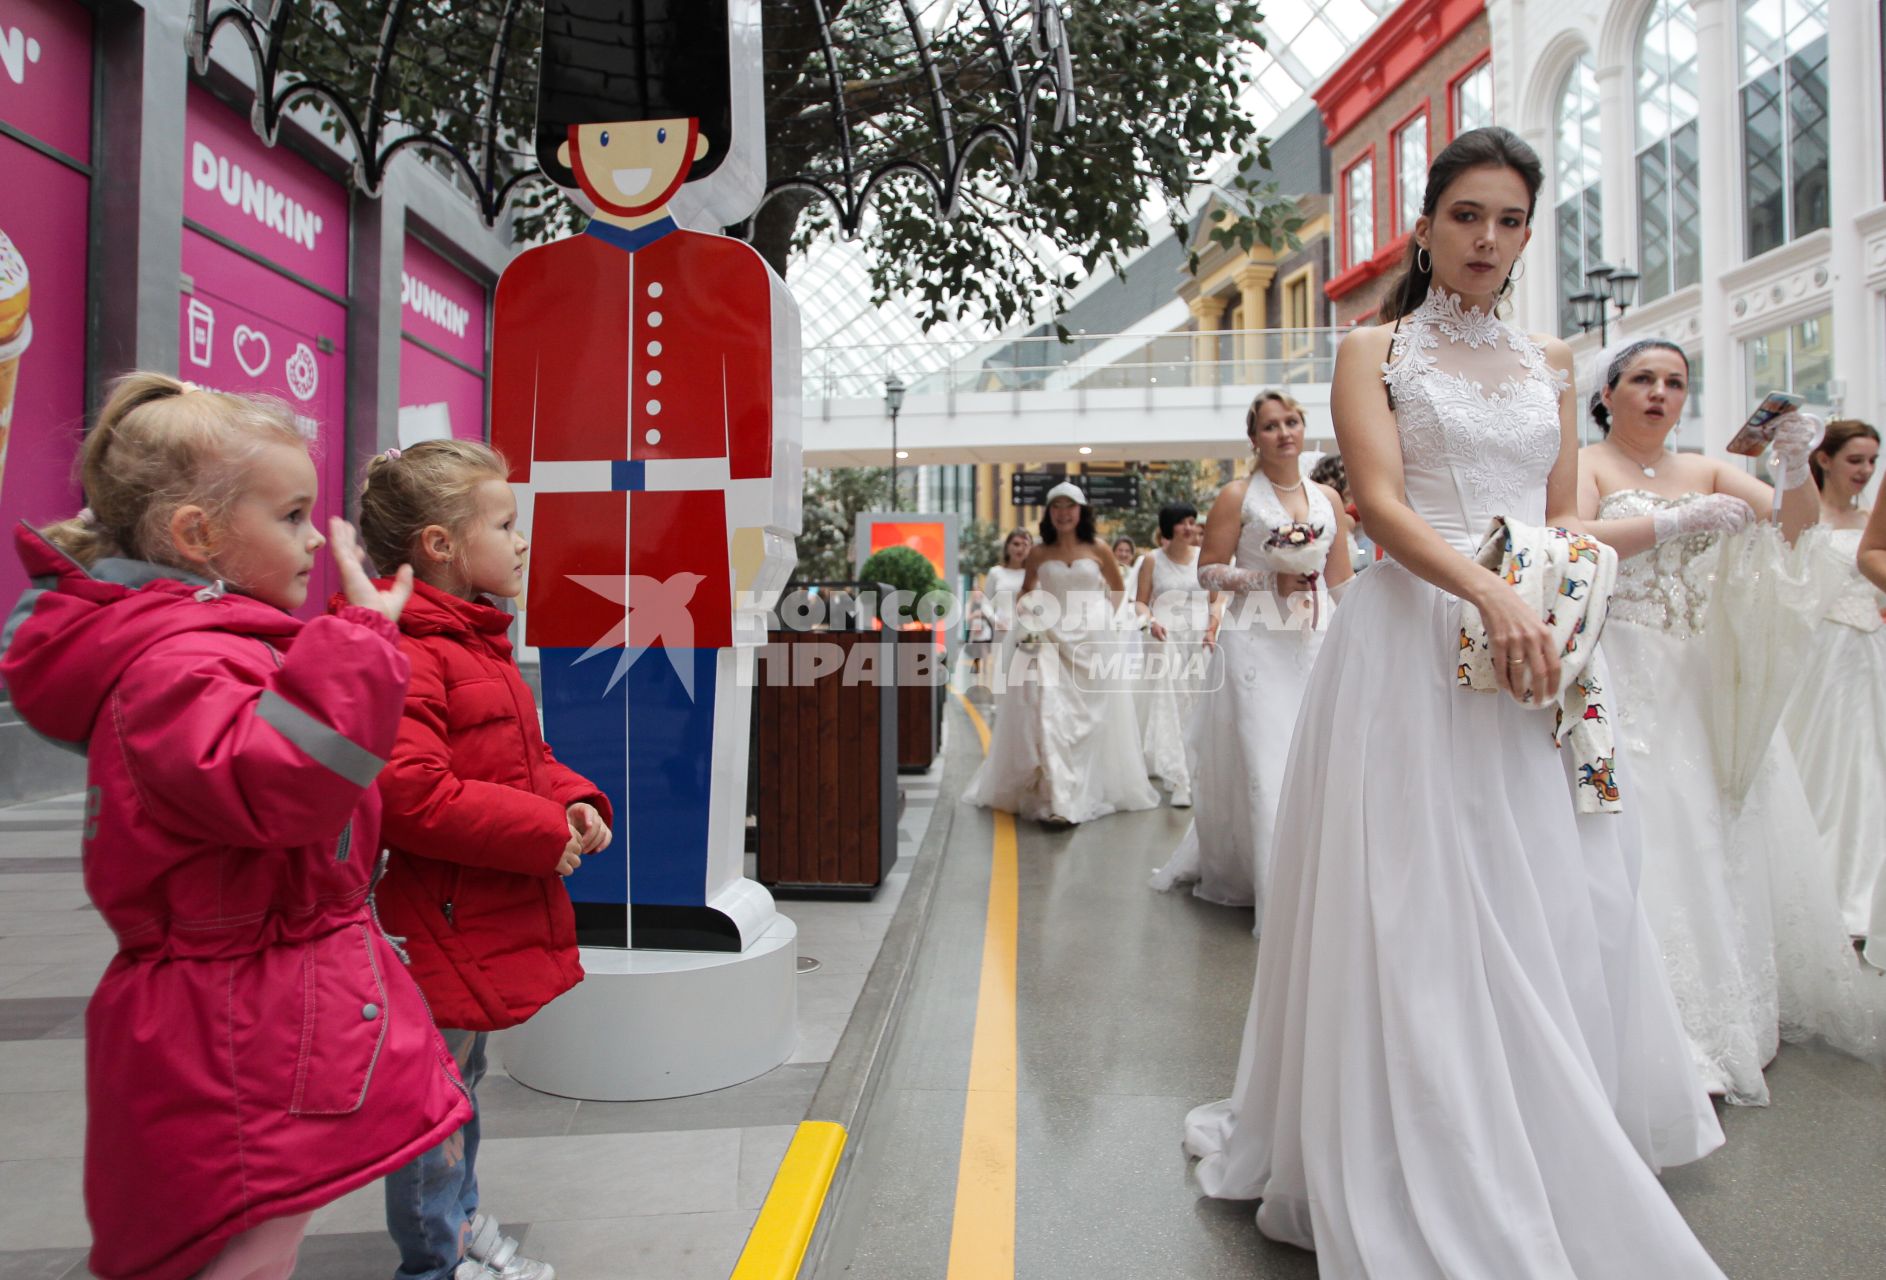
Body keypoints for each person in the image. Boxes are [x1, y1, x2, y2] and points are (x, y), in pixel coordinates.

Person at [1186, 129, 1726, 1277]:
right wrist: (1488, 593)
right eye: (1466, 215)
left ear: (1527, 235)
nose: (1486, 238)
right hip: (1409, 644)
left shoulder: (1550, 359)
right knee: (1421, 903)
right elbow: (1377, 506)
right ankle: (1430, 1143)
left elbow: (1560, 516)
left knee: (1553, 883)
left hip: (1534, 649)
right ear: (1424, 227)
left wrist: (1636, 548)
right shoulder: (1370, 348)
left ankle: (1541, 1130)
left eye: (1509, 220)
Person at [0, 374, 471, 1280]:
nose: (312, 539)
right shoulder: (176, 664)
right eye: (292, 516)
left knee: (256, 1240)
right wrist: (364, 644)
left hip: (244, 1010)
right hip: (231, 1026)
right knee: (243, 1248)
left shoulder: (197, 650)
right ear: (196, 536)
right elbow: (289, 785)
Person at [1579, 350, 1882, 1102]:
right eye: (1643, 380)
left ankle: (1718, 1013)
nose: (1659, 394)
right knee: (1638, 827)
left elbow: (1793, 528)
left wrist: (1788, 467)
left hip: (1699, 674)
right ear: (1608, 392)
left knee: (1715, 828)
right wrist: (1669, 521)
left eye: (1675, 383)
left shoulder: (1708, 469)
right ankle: (1632, 1017)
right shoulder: (1584, 461)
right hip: (1620, 662)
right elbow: (1571, 537)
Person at [357, 441, 616, 1280]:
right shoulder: (409, 647)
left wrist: (572, 799)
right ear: (439, 543)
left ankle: (458, 1224)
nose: (521, 541)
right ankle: (436, 1258)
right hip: (430, 915)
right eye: (505, 524)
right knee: (432, 1106)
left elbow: (521, 758)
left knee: (455, 1088)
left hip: (462, 909)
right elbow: (413, 794)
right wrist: (544, 832)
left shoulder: (471, 642)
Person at [1150, 395, 1350, 908]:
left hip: (1315, 639)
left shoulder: (1327, 497)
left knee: (1316, 759)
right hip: (1254, 642)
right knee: (1267, 760)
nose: (1284, 433)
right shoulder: (1236, 496)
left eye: (1292, 422)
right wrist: (1267, 579)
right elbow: (1207, 570)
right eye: (1270, 426)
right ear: (1254, 437)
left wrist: (1358, 633)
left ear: (1304, 428)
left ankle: (1317, 878)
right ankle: (1270, 885)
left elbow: (1341, 579)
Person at [962, 483, 1158, 825]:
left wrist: (1103, 623)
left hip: (1091, 641)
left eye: (1070, 506)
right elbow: (1026, 591)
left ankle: (1082, 786)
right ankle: (1058, 799)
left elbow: (1116, 590)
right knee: (1047, 710)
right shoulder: (1038, 553)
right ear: (1049, 513)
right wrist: (1028, 614)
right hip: (1049, 637)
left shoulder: (1098, 549)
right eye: (1057, 507)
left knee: (1092, 718)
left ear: (1081, 511)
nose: (1063, 513)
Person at [1781, 421, 1885, 938]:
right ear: (1825, 460)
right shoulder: (1810, 515)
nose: (1866, 471)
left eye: (1872, 461)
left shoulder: (1873, 521)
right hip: (1820, 652)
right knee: (1822, 764)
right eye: (1856, 460)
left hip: (1871, 651)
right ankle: (1813, 890)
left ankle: (1864, 895)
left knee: (1870, 771)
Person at [1135, 503, 1210, 807]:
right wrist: (1150, 621)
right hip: (1167, 637)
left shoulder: (1204, 557)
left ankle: (1200, 770)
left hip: (1200, 638)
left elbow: (1216, 599)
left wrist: (1214, 624)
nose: (1189, 528)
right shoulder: (1152, 561)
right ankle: (1178, 776)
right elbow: (1140, 602)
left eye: (1192, 522)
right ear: (1168, 527)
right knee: (1173, 701)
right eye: (1182, 523)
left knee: (1199, 703)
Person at [972, 528, 1032, 685]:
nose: (1020, 549)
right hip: (1002, 629)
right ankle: (999, 707)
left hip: (1028, 631)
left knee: (1026, 674)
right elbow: (986, 602)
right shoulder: (996, 572)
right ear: (1008, 547)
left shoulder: (1034, 573)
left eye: (1025, 544)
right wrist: (995, 620)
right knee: (1003, 671)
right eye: (1016, 544)